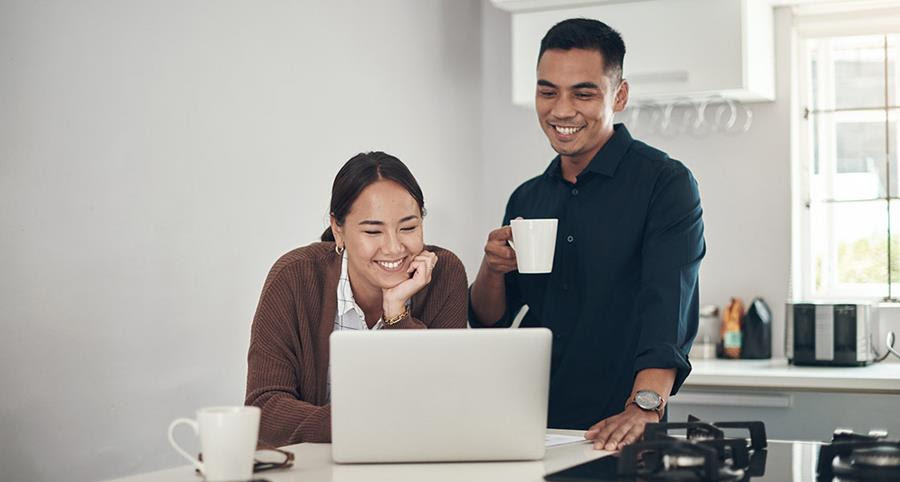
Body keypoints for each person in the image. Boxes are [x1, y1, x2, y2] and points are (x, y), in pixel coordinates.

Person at [469, 18, 706, 451]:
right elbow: (491, 319)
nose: (561, 110)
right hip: (536, 427)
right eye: (547, 92)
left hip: (623, 428)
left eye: (583, 92)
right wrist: (492, 268)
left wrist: (645, 406)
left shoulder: (664, 184)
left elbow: (667, 309)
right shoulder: (527, 197)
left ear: (619, 95)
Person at [245, 151, 468, 445]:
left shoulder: (443, 274)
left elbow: (442, 404)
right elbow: (265, 408)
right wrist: (364, 424)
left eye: (409, 227)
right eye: (373, 231)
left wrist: (396, 314)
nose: (393, 247)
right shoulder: (294, 276)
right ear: (339, 229)